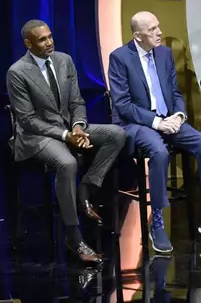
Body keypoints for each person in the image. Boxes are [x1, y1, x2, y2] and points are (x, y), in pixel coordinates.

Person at [108, 11, 201, 253]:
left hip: (169, 119)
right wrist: (157, 123)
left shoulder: (164, 54)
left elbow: (175, 93)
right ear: (138, 35)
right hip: (137, 123)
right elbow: (123, 105)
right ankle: (156, 223)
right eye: (153, 29)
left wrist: (178, 116)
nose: (159, 32)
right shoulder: (120, 58)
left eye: (159, 26)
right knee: (159, 152)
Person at [6, 19, 127, 263]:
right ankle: (74, 238)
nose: (49, 42)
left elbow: (76, 102)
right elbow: (28, 120)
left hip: (68, 128)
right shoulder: (17, 72)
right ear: (28, 44)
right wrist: (65, 136)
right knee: (68, 163)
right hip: (36, 137)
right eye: (42, 39)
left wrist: (78, 127)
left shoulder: (64, 60)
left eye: (50, 36)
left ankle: (85, 189)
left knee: (116, 134)